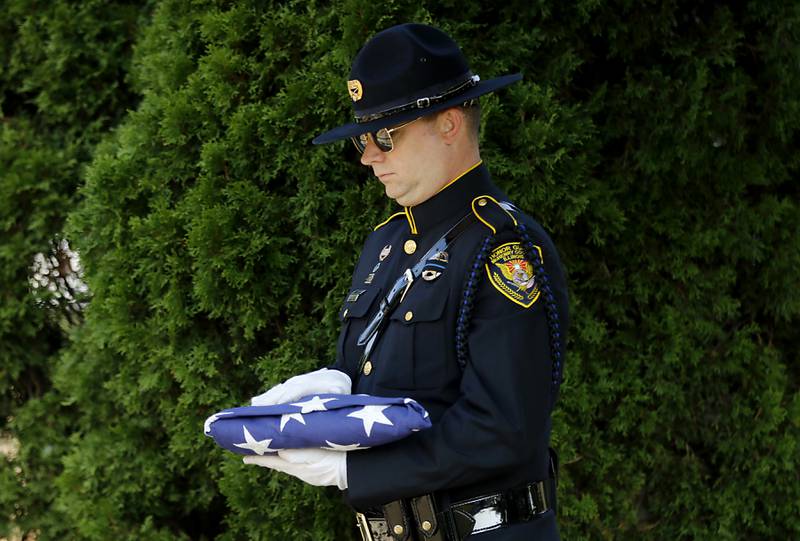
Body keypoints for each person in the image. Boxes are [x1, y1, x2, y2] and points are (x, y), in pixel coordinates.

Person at [245, 23, 569, 541]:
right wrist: (333, 394)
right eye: (362, 140)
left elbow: (504, 425)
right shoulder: (387, 243)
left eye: (385, 136)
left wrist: (355, 471)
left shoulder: (502, 247)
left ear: (448, 124)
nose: (370, 156)